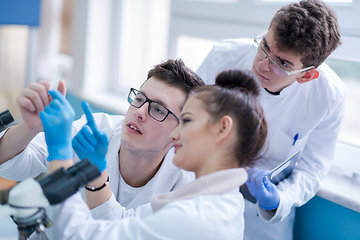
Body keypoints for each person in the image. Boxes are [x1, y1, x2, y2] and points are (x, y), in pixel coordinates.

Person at [40, 69, 267, 240]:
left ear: (222, 128)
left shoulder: (196, 218)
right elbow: (127, 224)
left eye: (186, 121)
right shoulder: (222, 200)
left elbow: (77, 235)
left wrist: (59, 152)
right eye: (139, 99)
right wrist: (97, 172)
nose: (174, 134)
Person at [0, 59, 204, 238]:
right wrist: (29, 127)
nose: (139, 112)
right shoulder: (97, 129)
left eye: (158, 109)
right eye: (140, 98)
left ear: (181, 130)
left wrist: (96, 176)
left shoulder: (184, 183)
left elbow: (122, 234)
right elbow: (10, 165)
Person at [196, 0, 347, 239]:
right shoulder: (223, 57)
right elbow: (185, 123)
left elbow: (312, 169)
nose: (263, 65)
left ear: (307, 75)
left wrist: (277, 199)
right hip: (202, 190)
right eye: (264, 46)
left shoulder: (329, 97)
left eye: (282, 63)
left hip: (260, 218)